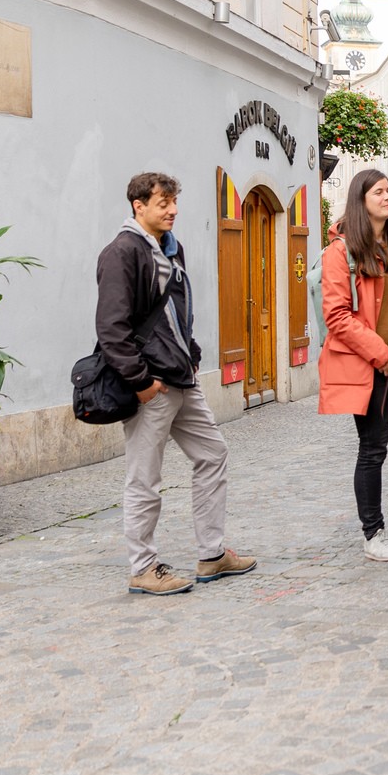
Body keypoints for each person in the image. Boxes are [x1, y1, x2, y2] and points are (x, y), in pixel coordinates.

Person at [96, 171, 255, 595]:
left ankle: (212, 553)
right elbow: (112, 328)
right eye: (163, 202)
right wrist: (140, 381)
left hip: (181, 376)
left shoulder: (171, 248)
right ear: (138, 206)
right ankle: (143, 568)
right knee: (145, 477)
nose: (172, 210)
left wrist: (192, 352)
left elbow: (177, 313)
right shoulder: (122, 252)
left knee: (212, 453)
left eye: (173, 202)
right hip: (152, 383)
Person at [317, 168, 388, 564]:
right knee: (374, 449)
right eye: (379, 192)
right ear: (361, 199)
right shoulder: (342, 253)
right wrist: (381, 355)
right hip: (370, 365)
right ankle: (373, 533)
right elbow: (337, 316)